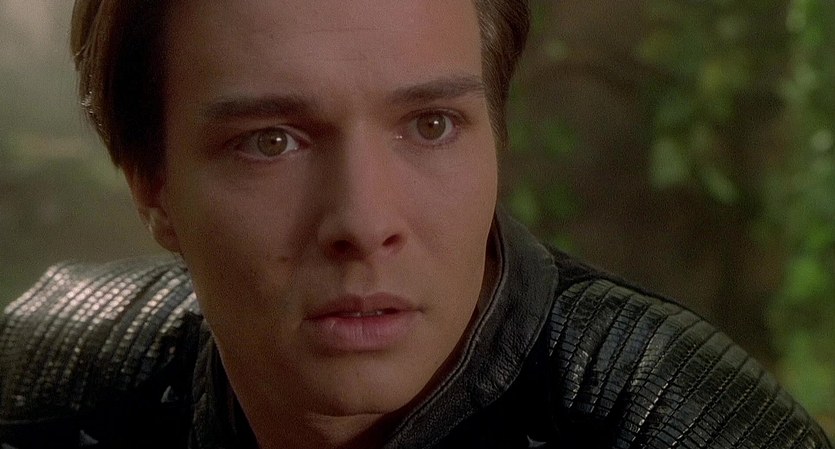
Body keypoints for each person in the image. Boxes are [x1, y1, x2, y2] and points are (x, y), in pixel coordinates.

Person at [0, 0, 831, 448]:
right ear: (152, 186)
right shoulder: (49, 387)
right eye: (269, 141)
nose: (364, 222)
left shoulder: (678, 421)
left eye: (430, 125)